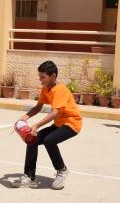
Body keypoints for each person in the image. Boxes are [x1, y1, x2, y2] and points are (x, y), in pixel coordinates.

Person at [12, 60, 82, 190]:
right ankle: (29, 176)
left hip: (72, 124)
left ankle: (62, 170)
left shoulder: (60, 90)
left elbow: (55, 113)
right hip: (60, 124)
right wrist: (25, 117)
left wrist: (36, 125)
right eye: (40, 77)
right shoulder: (45, 89)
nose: (40, 80)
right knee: (32, 139)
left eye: (43, 77)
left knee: (49, 140)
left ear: (53, 76)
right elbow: (38, 107)